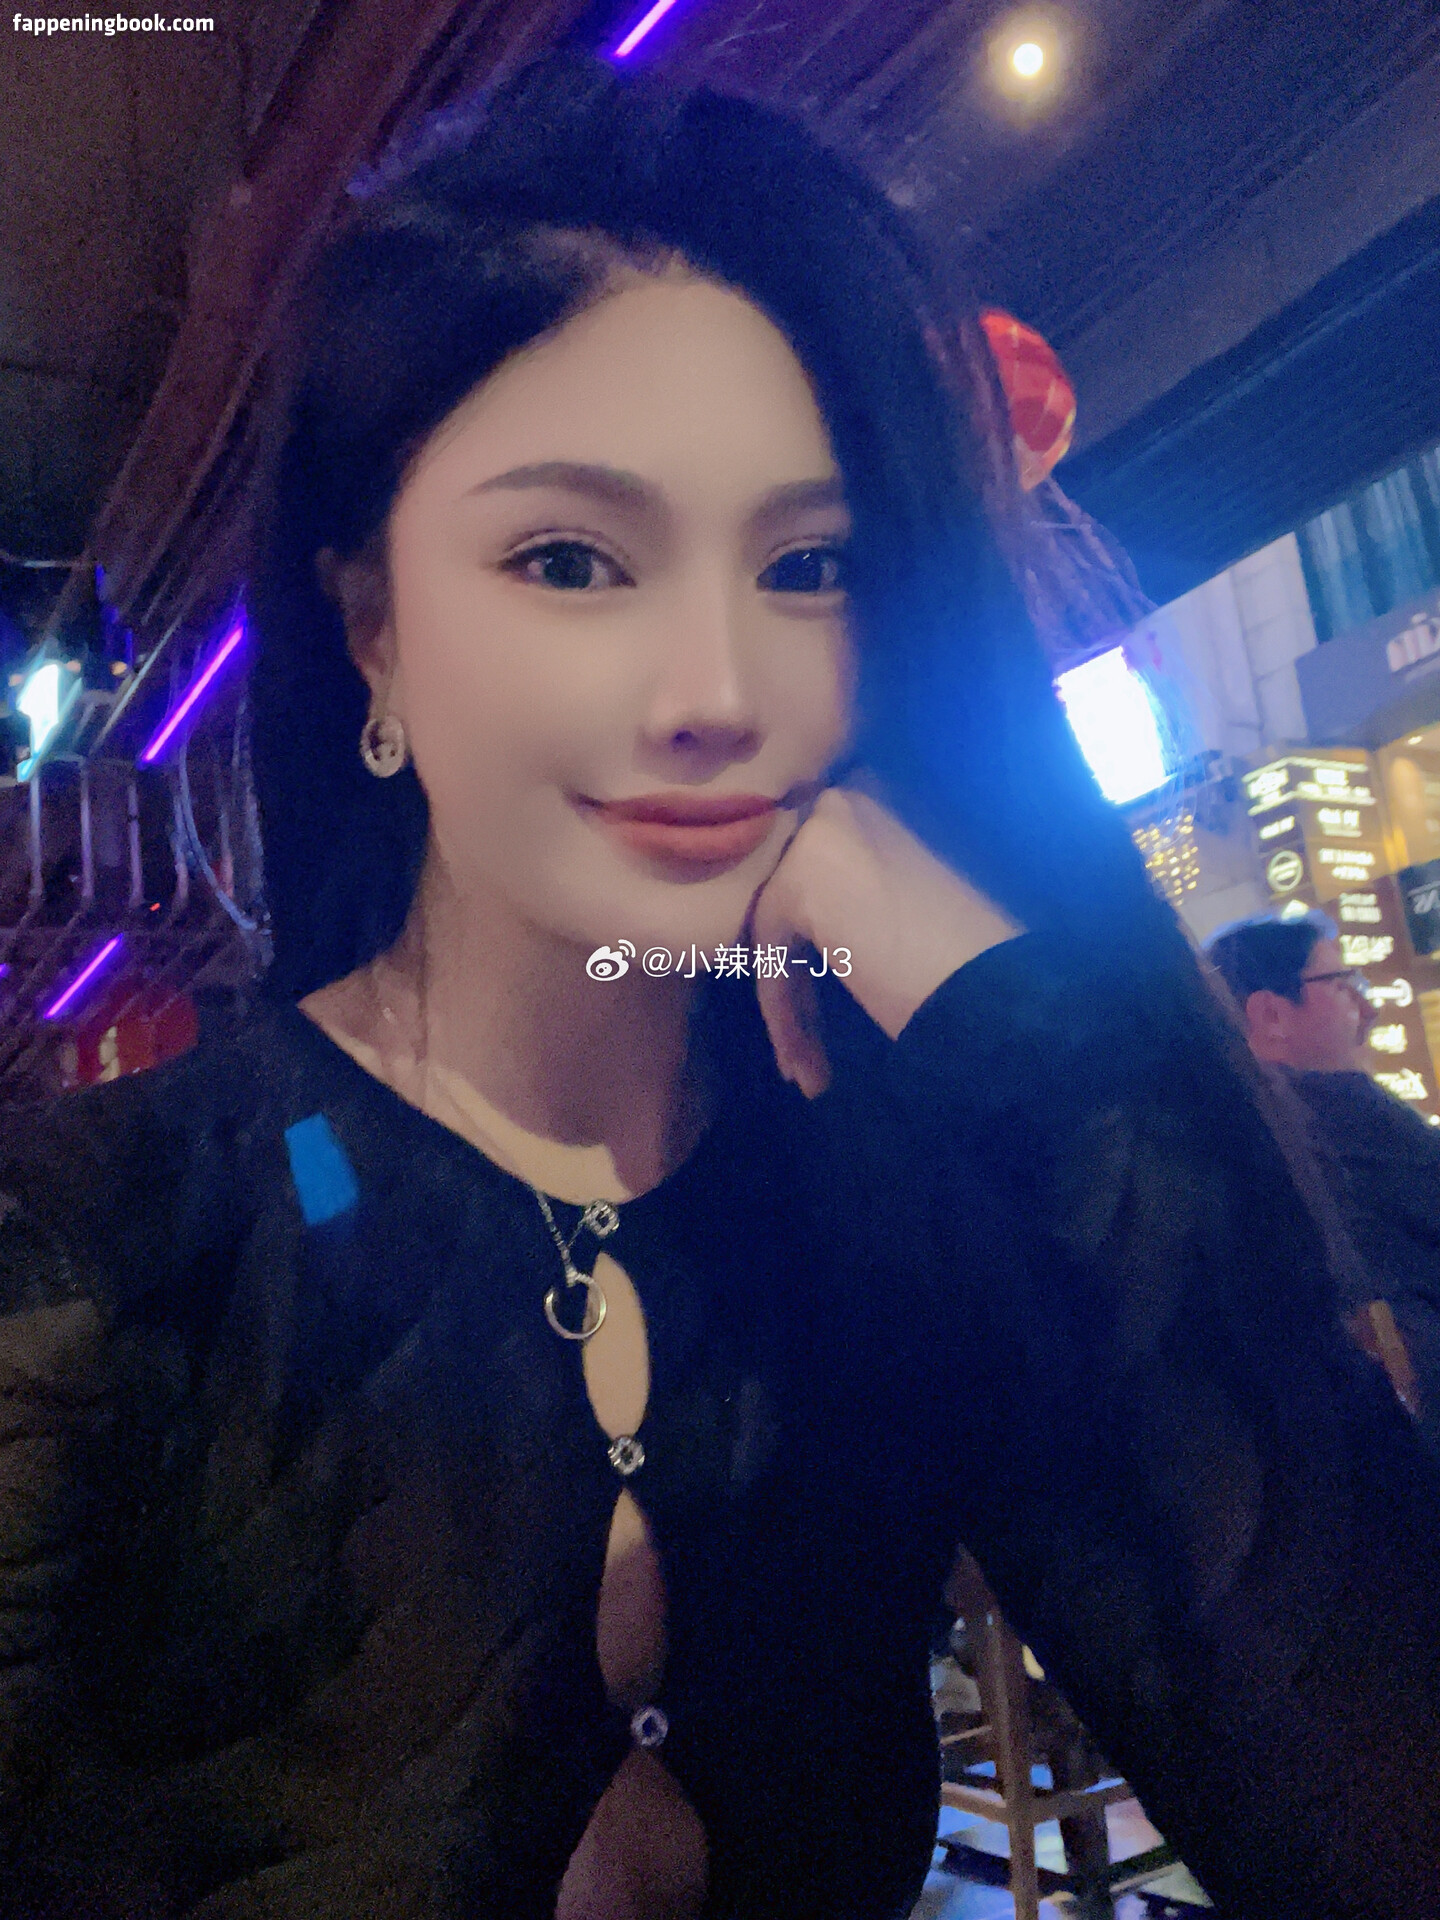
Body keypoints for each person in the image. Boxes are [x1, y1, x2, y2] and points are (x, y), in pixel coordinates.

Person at [0, 52, 1437, 1920]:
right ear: (372, 630)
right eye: (572, 558)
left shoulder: (895, 1209)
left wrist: (1001, 1014)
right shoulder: (100, 1241)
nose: (716, 694)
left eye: (812, 564)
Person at [1207, 908, 1440, 1453]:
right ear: (1271, 1015)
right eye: (1342, 984)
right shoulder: (1341, 1122)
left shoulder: (1238, 1137)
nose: (1369, 1008)